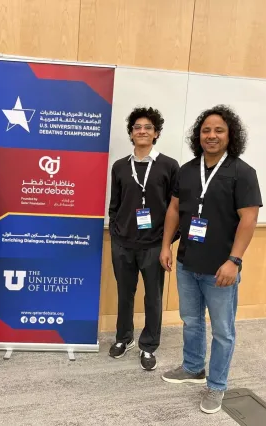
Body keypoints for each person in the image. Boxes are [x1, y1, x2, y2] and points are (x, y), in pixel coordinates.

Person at [159, 105, 262, 414]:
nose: (211, 135)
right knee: (190, 320)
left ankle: (216, 386)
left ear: (230, 136)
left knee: (222, 330)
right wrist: (166, 246)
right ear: (198, 135)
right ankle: (193, 368)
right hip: (188, 263)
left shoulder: (242, 173)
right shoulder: (188, 170)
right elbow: (175, 210)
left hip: (221, 268)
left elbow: (249, 219)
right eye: (206, 130)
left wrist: (235, 260)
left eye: (219, 130)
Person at [108, 107, 179, 370]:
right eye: (137, 127)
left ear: (156, 133)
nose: (142, 131)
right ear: (131, 133)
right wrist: (116, 234)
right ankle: (123, 338)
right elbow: (114, 206)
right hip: (123, 244)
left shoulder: (169, 166)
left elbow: (177, 207)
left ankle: (148, 345)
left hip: (154, 246)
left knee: (153, 297)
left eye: (148, 127)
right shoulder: (119, 167)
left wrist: (167, 242)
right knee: (124, 294)